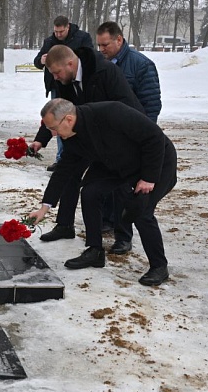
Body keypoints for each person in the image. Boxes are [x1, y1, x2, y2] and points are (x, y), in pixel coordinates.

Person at [28, 98, 177, 286]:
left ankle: (159, 267)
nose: (54, 134)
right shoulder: (71, 137)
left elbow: (154, 137)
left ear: (68, 119)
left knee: (141, 211)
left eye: (54, 128)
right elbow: (63, 171)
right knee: (90, 192)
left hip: (155, 162)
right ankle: (95, 251)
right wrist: (44, 207)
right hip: (115, 164)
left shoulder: (111, 112)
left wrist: (148, 177)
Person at [29, 44, 144, 244]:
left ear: (70, 63)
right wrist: (41, 138)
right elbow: (57, 111)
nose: (54, 77)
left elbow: (127, 105)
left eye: (56, 72)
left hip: (114, 139)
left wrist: (134, 141)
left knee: (121, 184)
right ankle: (65, 225)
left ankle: (123, 236)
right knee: (69, 173)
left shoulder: (105, 72)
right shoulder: (65, 78)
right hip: (83, 134)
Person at [96, 21, 163, 255]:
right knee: (105, 183)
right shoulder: (100, 64)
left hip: (133, 137)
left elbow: (151, 104)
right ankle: (106, 220)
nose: (101, 49)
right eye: (99, 45)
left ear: (119, 40)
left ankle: (123, 235)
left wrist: (143, 138)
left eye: (105, 45)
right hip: (109, 136)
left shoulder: (141, 65)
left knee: (125, 188)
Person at [33, 16, 93, 171]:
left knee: (76, 119)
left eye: (61, 31)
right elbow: (37, 61)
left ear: (68, 27)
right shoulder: (49, 41)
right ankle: (62, 158)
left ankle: (86, 157)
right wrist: (42, 60)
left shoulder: (82, 38)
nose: (58, 34)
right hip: (57, 87)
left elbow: (89, 57)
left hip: (78, 83)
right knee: (58, 120)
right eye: (56, 31)